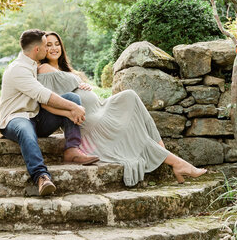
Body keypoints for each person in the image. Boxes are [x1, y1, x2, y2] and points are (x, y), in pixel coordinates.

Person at [37, 31, 207, 187]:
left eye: (57, 43)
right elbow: (47, 100)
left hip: (101, 107)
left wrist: (78, 81)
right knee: (131, 132)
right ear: (42, 49)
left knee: (130, 96)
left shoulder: (68, 70)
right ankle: (178, 164)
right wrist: (74, 87)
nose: (54, 48)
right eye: (49, 45)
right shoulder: (44, 69)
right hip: (89, 119)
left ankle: (161, 148)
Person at [0, 29, 99, 197]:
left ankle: (72, 149)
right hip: (15, 118)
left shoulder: (33, 66)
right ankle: (41, 177)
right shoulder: (18, 69)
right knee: (25, 130)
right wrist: (72, 109)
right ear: (37, 49)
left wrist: (70, 108)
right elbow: (43, 95)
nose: (48, 50)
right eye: (46, 45)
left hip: (37, 117)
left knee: (72, 97)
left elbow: (44, 102)